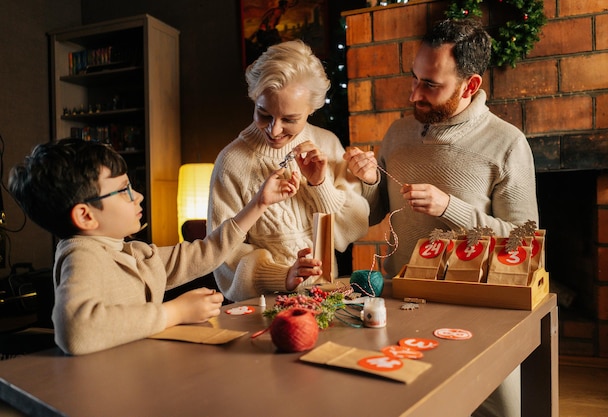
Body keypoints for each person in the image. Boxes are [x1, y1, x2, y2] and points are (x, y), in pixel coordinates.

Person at [343, 18, 538, 417]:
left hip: (479, 316)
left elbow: (526, 239)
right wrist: (364, 182)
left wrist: (451, 208)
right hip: (404, 309)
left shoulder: (507, 143)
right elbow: (375, 212)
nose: (415, 93)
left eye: (431, 85)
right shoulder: (398, 133)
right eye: (415, 78)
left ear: (470, 86)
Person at [8, 138, 298, 355]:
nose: (139, 196)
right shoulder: (81, 255)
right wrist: (175, 312)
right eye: (124, 191)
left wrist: (259, 204)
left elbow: (204, 253)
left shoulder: (130, 252)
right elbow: (76, 330)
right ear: (86, 216)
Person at [208, 39, 369, 302]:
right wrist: (282, 276)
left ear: (312, 108)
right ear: (254, 98)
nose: (274, 130)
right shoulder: (231, 161)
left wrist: (320, 185)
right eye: (264, 114)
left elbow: (354, 227)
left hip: (327, 298)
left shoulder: (327, 144)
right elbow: (221, 254)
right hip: (263, 303)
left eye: (290, 119)